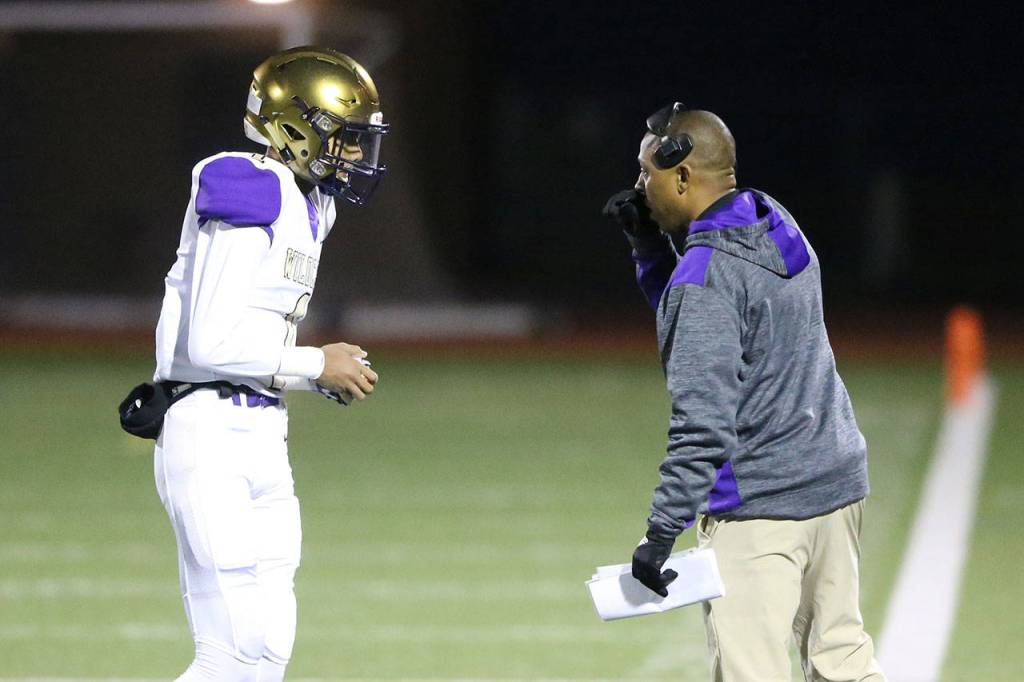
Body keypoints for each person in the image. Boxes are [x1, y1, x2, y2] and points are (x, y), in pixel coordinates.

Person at [603, 103, 887, 681]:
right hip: (834, 482)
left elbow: (702, 423)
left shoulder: (703, 280)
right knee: (844, 663)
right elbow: (712, 321)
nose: (639, 187)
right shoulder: (774, 219)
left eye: (646, 173)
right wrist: (652, 250)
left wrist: (661, 532)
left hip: (762, 508)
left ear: (683, 176)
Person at [150, 46, 385, 680]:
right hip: (209, 430)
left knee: (267, 651)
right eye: (345, 136)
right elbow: (211, 344)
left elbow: (255, 341)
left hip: (262, 430)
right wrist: (315, 363)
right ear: (296, 127)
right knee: (229, 654)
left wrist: (313, 375)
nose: (356, 154)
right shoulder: (248, 182)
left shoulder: (313, 204)